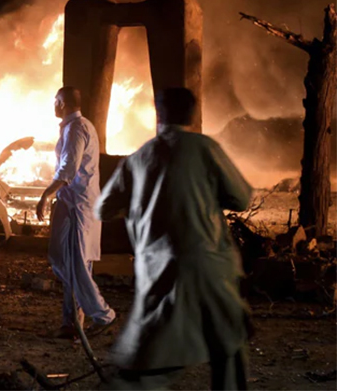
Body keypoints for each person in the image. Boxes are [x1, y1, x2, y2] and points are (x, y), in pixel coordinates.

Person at [96, 87, 253, 390]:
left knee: (150, 360)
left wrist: (139, 210)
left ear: (159, 113)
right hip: (211, 270)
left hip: (160, 273)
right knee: (229, 345)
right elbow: (241, 198)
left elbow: (103, 208)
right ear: (192, 115)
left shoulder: (138, 158)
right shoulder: (206, 148)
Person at [36, 86, 117, 339]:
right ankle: (72, 323)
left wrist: (46, 195)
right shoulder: (78, 127)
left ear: (62, 103)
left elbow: (68, 169)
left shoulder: (76, 129)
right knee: (73, 263)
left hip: (75, 205)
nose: (54, 105)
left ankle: (103, 315)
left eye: (56, 101)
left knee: (69, 262)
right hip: (80, 204)